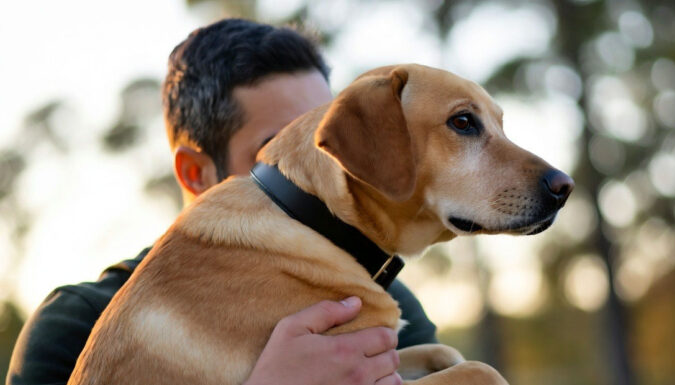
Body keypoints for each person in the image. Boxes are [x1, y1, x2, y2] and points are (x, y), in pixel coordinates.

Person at [7, 19, 437, 385]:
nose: (326, 171)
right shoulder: (75, 325)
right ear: (195, 173)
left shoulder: (381, 298)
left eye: (326, 144)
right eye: (280, 149)